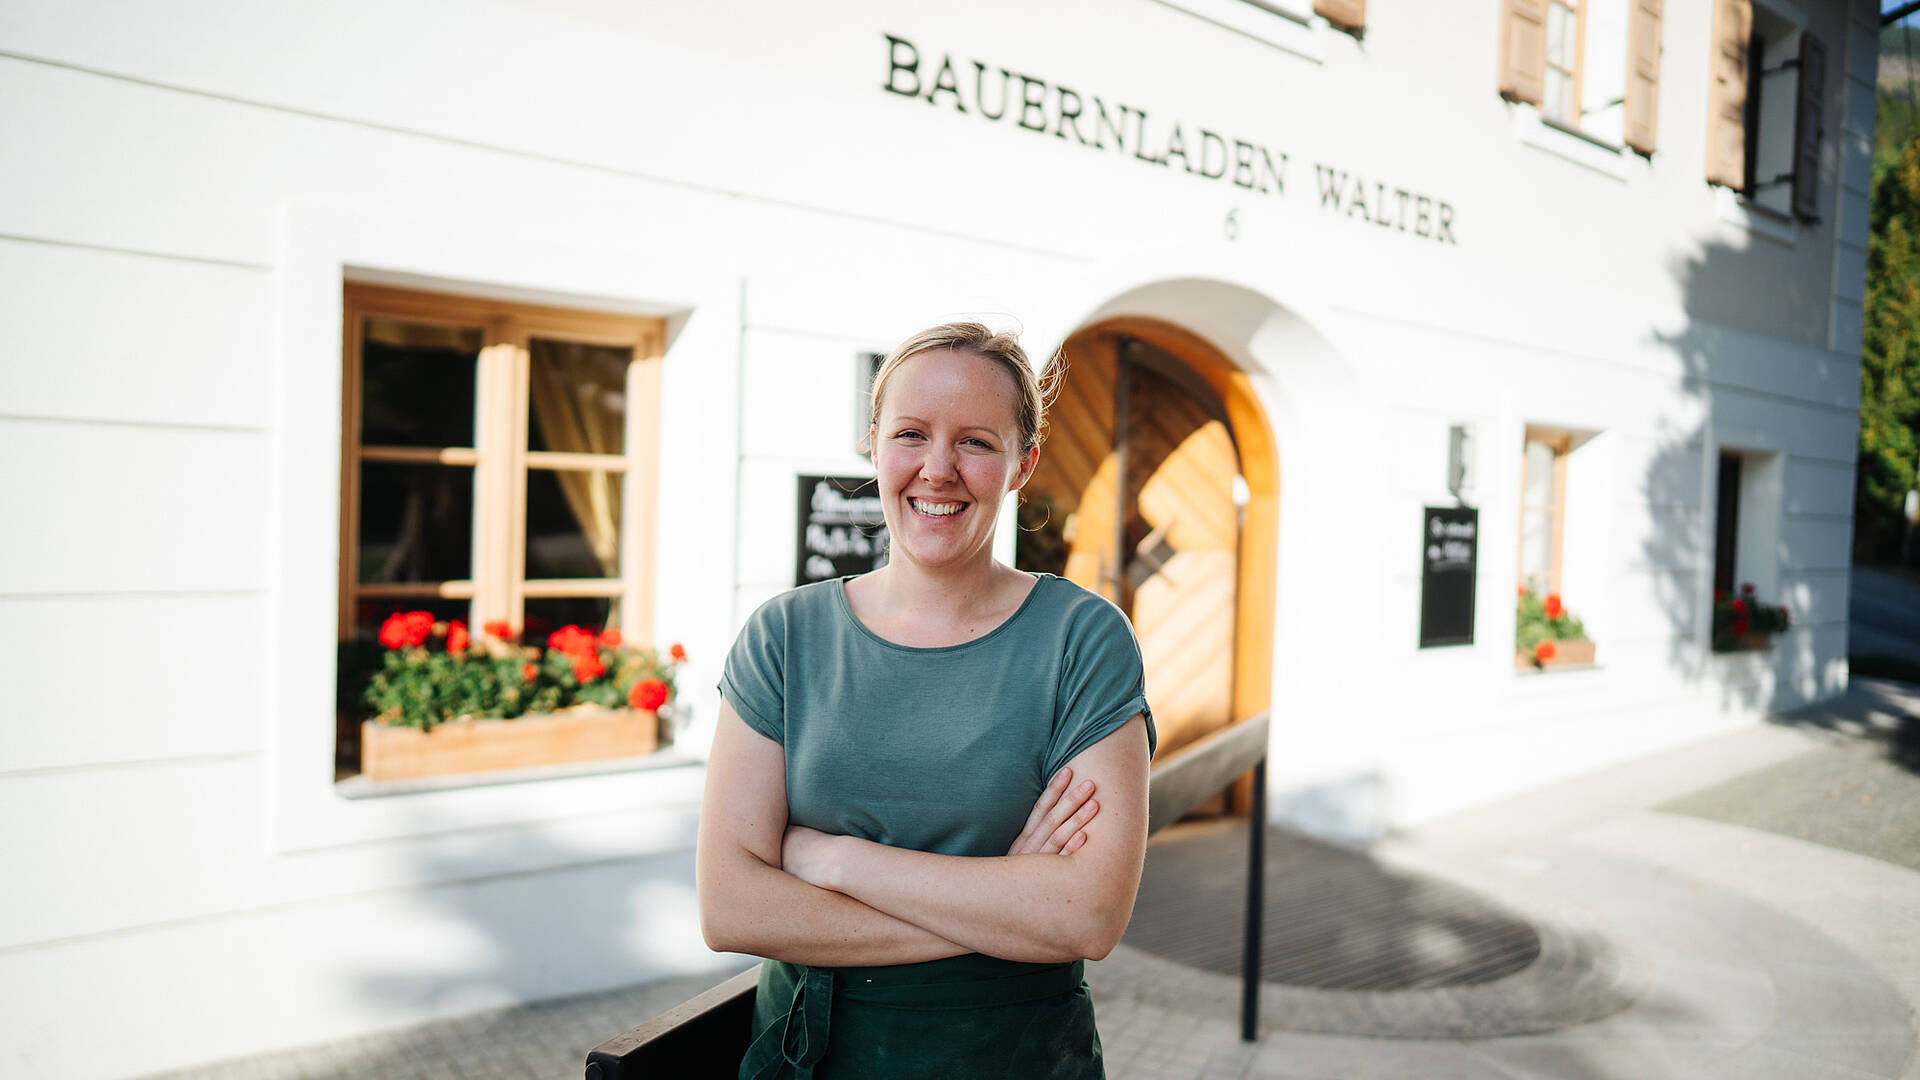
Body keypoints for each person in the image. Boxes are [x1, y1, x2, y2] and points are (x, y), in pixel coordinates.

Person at [697, 321, 1156, 1079]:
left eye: (976, 442)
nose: (937, 470)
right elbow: (731, 908)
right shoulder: (785, 636)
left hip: (1016, 1060)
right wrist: (1007, 906)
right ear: (873, 445)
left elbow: (1090, 916)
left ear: (1022, 464)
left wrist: (835, 860)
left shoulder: (1083, 639)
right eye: (911, 434)